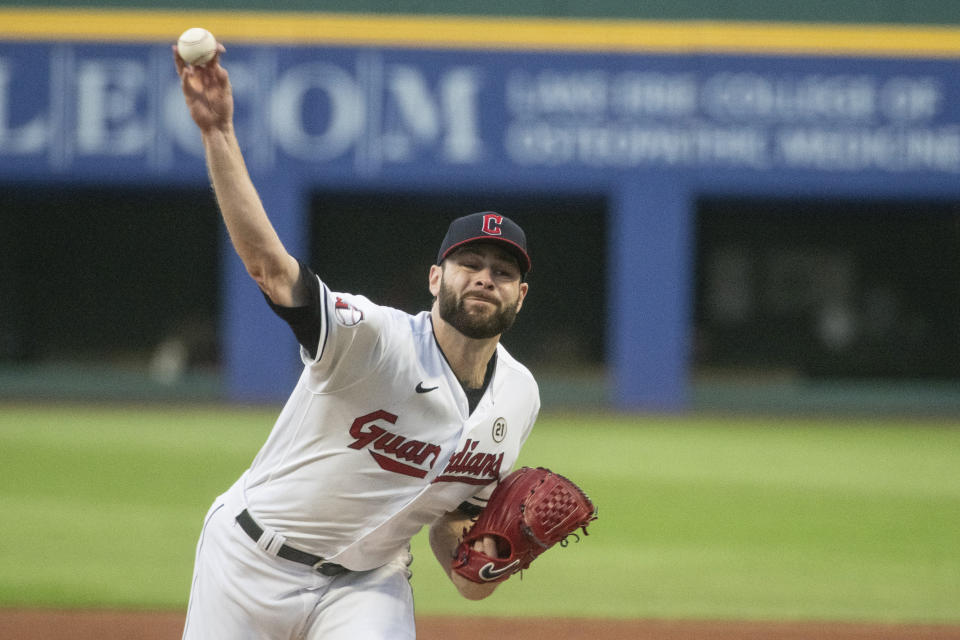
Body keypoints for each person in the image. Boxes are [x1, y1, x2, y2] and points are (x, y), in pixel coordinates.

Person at [174, 43, 539, 640]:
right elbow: (270, 267)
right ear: (434, 278)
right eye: (468, 263)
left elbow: (455, 524)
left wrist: (481, 565)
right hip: (248, 563)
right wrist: (218, 132)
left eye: (502, 272)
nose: (483, 277)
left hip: (368, 583)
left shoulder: (519, 397)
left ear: (520, 295)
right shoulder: (372, 339)